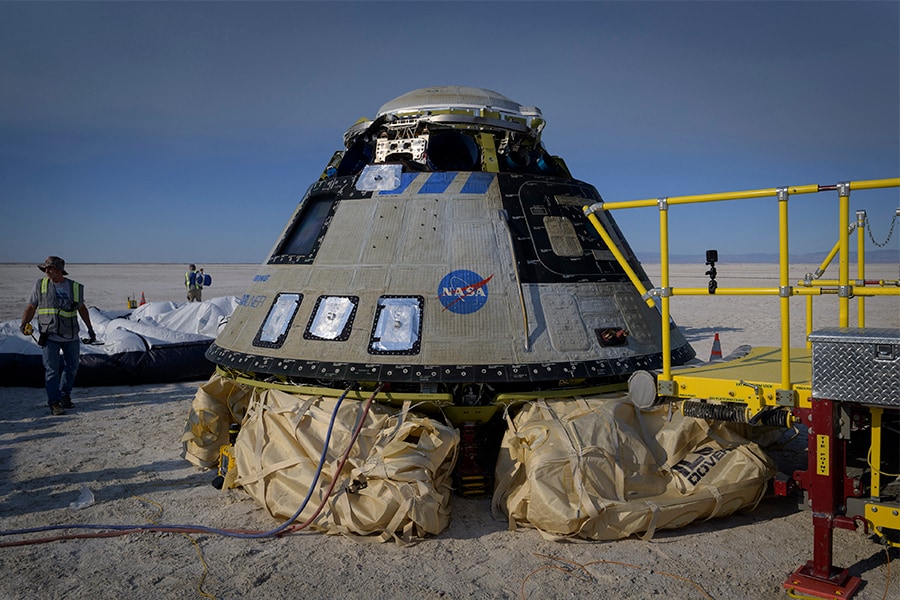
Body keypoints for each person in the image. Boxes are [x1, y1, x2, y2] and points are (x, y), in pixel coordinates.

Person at [20, 256, 95, 416]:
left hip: (71, 335)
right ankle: (54, 402)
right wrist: (24, 323)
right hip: (50, 335)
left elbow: (82, 309)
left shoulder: (74, 287)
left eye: (50, 268)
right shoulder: (40, 285)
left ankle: (64, 395)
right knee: (51, 370)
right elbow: (31, 307)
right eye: (45, 269)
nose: (47, 271)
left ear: (60, 270)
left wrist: (90, 328)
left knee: (72, 367)